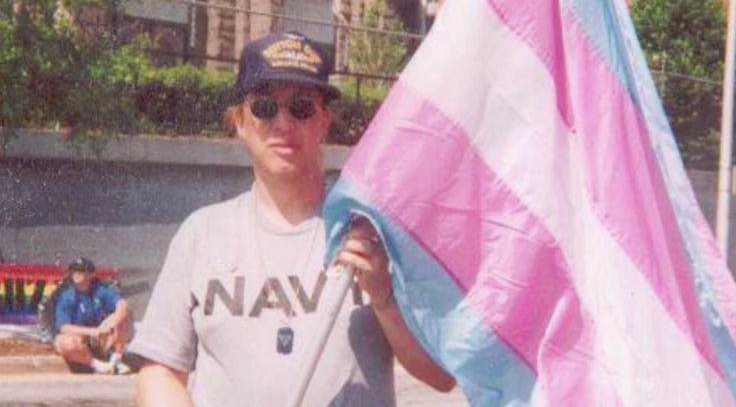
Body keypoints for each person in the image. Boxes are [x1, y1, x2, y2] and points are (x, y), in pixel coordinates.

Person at [131, 31, 454, 406]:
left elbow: (440, 375)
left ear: (324, 120)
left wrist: (383, 296)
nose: (283, 123)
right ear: (239, 121)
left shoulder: (373, 233)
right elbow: (159, 373)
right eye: (264, 107)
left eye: (301, 107)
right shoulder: (201, 234)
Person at [53, 257, 132, 375]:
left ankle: (116, 359)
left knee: (123, 316)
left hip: (103, 338)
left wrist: (110, 327)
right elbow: (64, 327)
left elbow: (122, 305)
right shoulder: (66, 296)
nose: (77, 274)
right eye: (74, 270)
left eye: (81, 270)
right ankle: (99, 366)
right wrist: (92, 332)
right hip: (82, 339)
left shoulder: (101, 290)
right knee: (63, 342)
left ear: (90, 274)